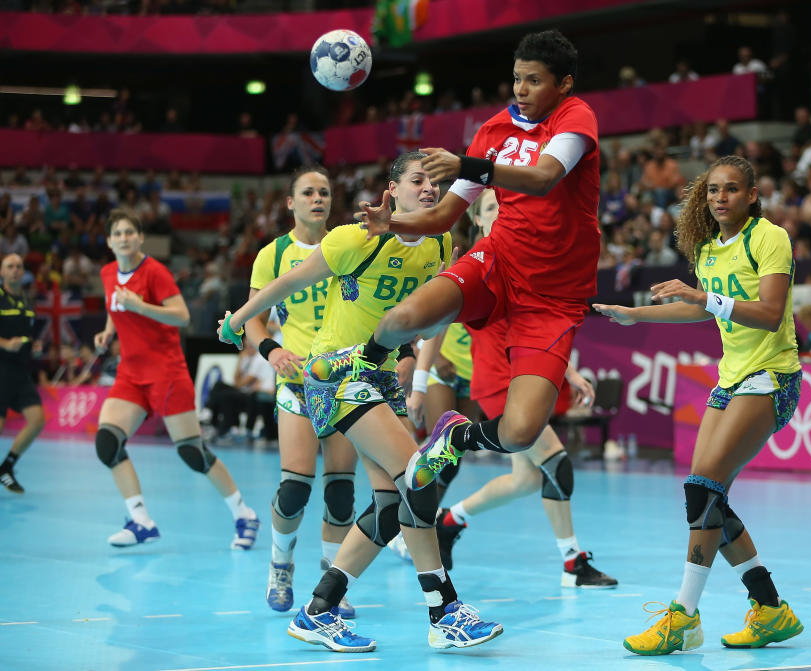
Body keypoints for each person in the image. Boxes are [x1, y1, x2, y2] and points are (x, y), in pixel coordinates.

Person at [218, 152, 502, 652]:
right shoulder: (355, 238)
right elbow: (289, 283)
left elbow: (423, 311)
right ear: (392, 191)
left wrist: (415, 352)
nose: (430, 189)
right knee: (417, 473)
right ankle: (444, 609)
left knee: (395, 502)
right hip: (335, 373)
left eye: (436, 182)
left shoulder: (440, 242)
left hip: (383, 376)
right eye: (418, 181)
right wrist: (238, 320)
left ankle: (319, 611)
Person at [351, 30, 602, 492]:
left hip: (553, 297)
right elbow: (446, 214)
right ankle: (361, 368)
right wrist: (394, 224)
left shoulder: (575, 116)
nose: (520, 90)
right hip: (498, 260)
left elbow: (545, 179)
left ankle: (456, 435)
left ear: (563, 84)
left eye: (533, 81)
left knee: (518, 432)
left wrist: (469, 166)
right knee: (403, 317)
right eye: (516, 79)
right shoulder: (492, 132)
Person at [594, 155, 804, 655]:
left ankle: (683, 617)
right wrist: (633, 314)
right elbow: (695, 311)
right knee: (706, 497)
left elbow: (771, 314)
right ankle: (770, 608)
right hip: (730, 381)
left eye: (731, 189)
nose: (720, 197)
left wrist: (704, 298)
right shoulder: (709, 250)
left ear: (752, 195)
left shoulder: (770, 237)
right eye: (713, 190)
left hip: (772, 377)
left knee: (702, 487)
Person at [414, 189, 616, 587]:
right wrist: (420, 383)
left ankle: (450, 521)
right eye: (491, 208)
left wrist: (570, 374)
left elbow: (541, 330)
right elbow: (434, 327)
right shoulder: (473, 266)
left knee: (525, 479)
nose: (502, 213)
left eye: (507, 207)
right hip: (499, 385)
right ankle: (572, 563)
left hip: (526, 377)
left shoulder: (524, 263)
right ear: (477, 220)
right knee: (557, 465)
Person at [94, 209, 259, 548]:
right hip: (130, 373)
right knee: (107, 442)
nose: (124, 238)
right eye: (117, 234)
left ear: (140, 238)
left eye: (130, 232)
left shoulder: (154, 272)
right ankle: (140, 520)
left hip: (166, 372)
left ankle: (244, 514)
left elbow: (182, 316)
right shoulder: (108, 272)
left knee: (192, 453)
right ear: (109, 242)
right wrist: (108, 331)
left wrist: (141, 306)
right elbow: (116, 307)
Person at [244, 165, 359, 616]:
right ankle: (280, 564)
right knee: (294, 488)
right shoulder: (272, 255)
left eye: (325, 192)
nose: (318, 198)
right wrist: (270, 350)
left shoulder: (349, 244)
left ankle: (332, 585)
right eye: (308, 192)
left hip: (344, 380)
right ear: (290, 203)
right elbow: (253, 316)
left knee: (341, 493)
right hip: (295, 381)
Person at [0, 253, 45, 494]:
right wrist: (5, 343)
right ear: (2, 272)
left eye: (19, 266)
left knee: (37, 420)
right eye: (10, 266)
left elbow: (27, 335)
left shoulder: (27, 302)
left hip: (20, 371)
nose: (16, 270)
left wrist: (33, 347)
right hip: (0, 369)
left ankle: (6, 467)